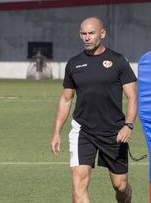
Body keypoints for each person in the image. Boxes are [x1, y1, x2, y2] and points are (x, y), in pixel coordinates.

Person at [50, 17, 137, 203]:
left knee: (120, 186)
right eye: (83, 34)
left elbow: (132, 97)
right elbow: (66, 99)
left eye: (91, 33)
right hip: (83, 131)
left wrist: (128, 125)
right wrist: (56, 131)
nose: (87, 38)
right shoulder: (74, 63)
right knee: (78, 184)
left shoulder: (119, 61)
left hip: (114, 132)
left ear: (102, 33)